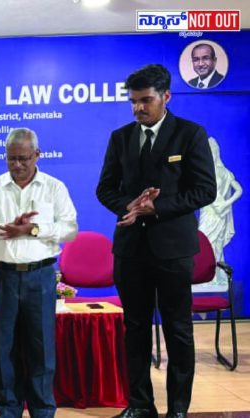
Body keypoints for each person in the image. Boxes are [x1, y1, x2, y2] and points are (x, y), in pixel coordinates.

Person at [96, 64, 216, 418]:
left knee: (178, 330)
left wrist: (157, 208)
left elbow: (204, 190)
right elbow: (105, 188)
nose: (138, 108)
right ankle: (139, 405)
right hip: (130, 249)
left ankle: (177, 410)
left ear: (166, 97)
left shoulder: (190, 134)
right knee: (134, 329)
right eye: (133, 101)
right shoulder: (120, 137)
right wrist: (129, 205)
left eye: (145, 100)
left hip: (173, 250)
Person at [0, 128, 77, 418]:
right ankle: (9, 411)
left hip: (40, 276)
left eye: (23, 159)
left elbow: (70, 229)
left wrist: (33, 229)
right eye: (11, 158)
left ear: (37, 155)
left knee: (42, 348)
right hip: (2, 276)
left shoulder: (54, 188)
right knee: (3, 348)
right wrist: (5, 229)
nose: (17, 165)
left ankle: (43, 411)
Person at [199, 137, 242, 287]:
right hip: (209, 212)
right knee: (206, 242)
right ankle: (206, 276)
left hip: (216, 214)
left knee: (214, 243)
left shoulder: (222, 172)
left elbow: (239, 190)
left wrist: (225, 203)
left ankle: (213, 277)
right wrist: (222, 203)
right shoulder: (206, 172)